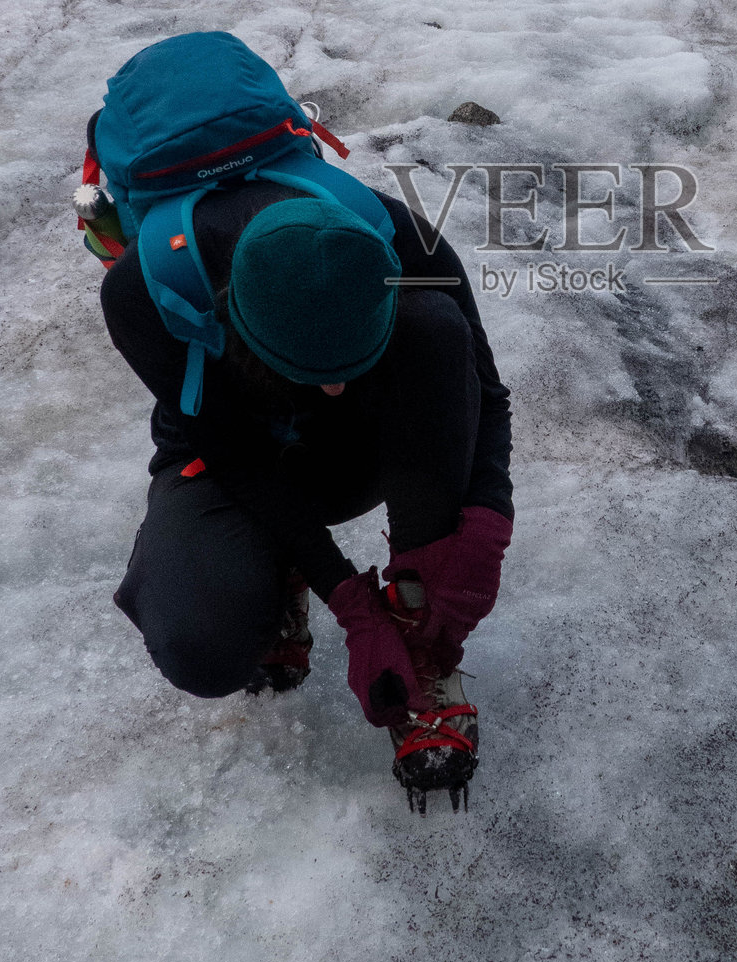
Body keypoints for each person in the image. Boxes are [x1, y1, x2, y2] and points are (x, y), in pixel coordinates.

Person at [96, 126, 513, 814]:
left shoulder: (404, 238)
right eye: (317, 374)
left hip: (365, 448)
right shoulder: (142, 290)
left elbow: (486, 396)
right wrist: (348, 600)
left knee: (437, 333)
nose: (335, 391)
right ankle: (272, 566)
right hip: (232, 454)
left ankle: (420, 638)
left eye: (349, 367)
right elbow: (230, 454)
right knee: (202, 646)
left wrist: (485, 524)